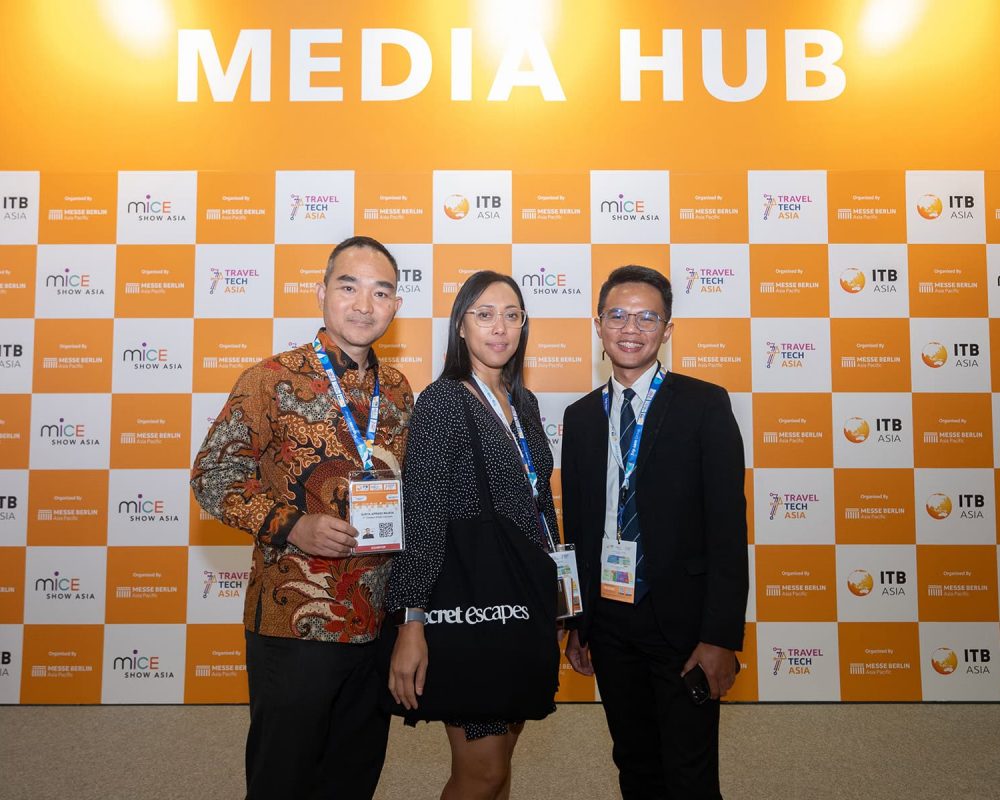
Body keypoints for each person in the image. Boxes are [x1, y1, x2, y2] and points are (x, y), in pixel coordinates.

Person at [190, 236, 413, 799]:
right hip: (294, 623)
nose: (364, 304)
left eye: (380, 291)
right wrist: (293, 525)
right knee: (282, 778)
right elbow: (211, 477)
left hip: (375, 618)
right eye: (349, 286)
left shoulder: (400, 391)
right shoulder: (270, 379)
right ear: (321, 294)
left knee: (354, 775)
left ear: (395, 305)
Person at [561, 265, 748, 799]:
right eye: (617, 315)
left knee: (689, 773)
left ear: (667, 328)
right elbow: (574, 530)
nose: (631, 328)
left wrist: (719, 638)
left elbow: (728, 532)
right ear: (598, 324)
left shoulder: (704, 404)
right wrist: (576, 621)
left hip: (684, 626)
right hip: (610, 622)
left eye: (648, 317)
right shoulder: (581, 417)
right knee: (634, 762)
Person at [385, 270, 559, 800]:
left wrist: (564, 600)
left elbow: (540, 505)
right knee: (480, 770)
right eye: (484, 314)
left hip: (522, 606)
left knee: (501, 762)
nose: (499, 327)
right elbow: (423, 515)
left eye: (511, 315)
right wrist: (411, 621)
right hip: (469, 612)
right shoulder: (443, 402)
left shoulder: (521, 403)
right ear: (461, 326)